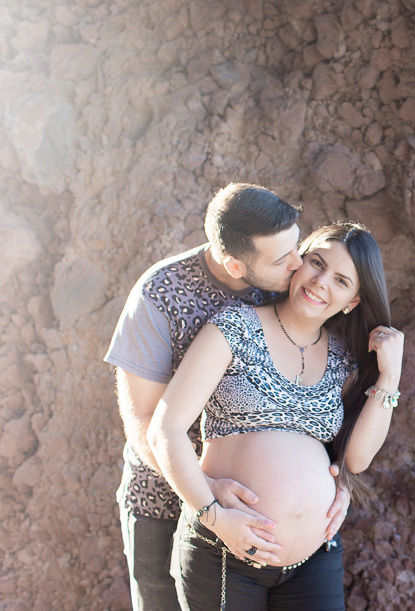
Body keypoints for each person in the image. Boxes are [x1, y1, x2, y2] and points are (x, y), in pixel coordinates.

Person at [105, 183, 351, 610]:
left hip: (262, 527)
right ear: (236, 266)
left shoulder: (288, 284)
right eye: (282, 259)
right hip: (162, 501)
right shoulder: (161, 294)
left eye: (297, 246)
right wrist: (205, 493)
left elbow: (310, 400)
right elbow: (145, 418)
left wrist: (334, 481)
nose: (298, 265)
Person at [148, 220, 403, 610]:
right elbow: (165, 430)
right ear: (298, 262)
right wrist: (214, 516)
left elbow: (357, 458)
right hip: (226, 551)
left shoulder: (343, 357)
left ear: (352, 300)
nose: (320, 282)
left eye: (341, 280)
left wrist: (390, 375)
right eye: (316, 263)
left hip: (314, 558)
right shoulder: (235, 328)